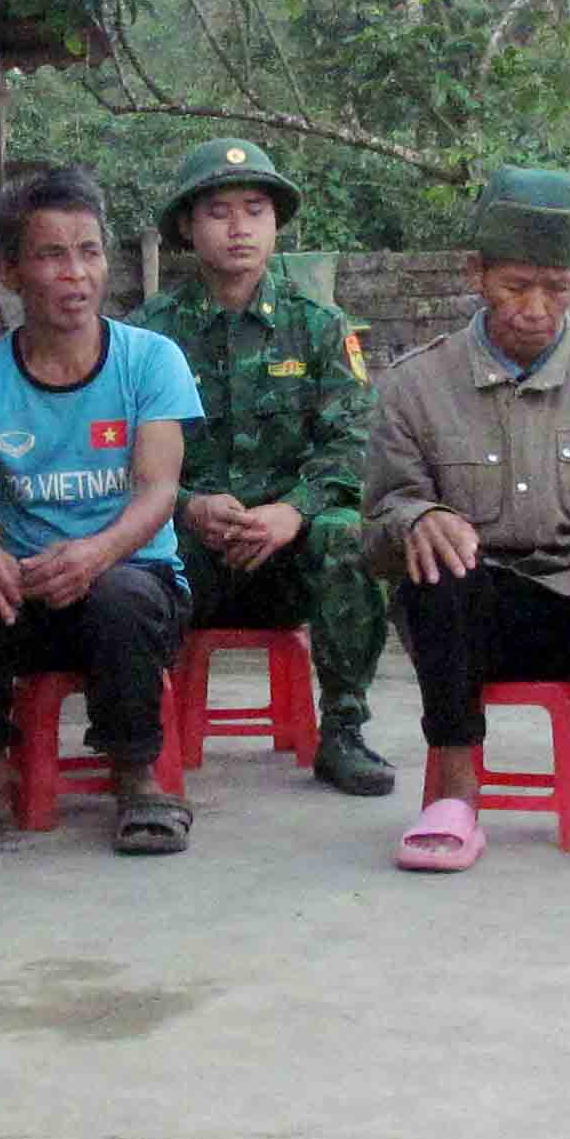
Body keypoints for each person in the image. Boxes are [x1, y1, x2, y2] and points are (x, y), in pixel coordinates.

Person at [360, 166, 570, 873]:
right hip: (482, 616)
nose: (536, 307)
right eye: (516, 286)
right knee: (436, 567)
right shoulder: (416, 385)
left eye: (557, 287)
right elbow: (382, 517)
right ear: (477, 274)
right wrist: (418, 522)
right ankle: (454, 794)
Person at [0, 166, 199, 857]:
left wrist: (96, 554)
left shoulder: (152, 360)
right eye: (52, 255)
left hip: (135, 583)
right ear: (9, 271)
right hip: (31, 592)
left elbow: (158, 493)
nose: (76, 274)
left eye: (89, 252)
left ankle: (139, 778)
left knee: (120, 593)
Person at [128, 139, 397, 797]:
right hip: (187, 551)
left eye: (255, 209)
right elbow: (118, 455)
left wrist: (291, 510)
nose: (239, 226)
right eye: (218, 211)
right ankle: (132, 729)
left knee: (350, 531)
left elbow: (355, 446)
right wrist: (187, 503)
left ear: (277, 224)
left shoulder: (321, 328)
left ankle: (343, 729)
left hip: (287, 558)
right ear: (188, 229)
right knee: (119, 539)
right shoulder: (147, 335)